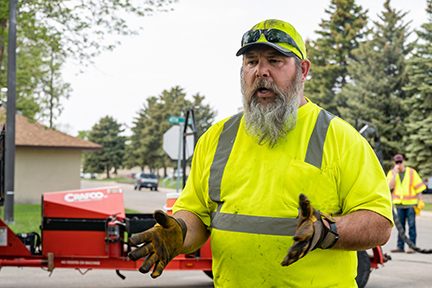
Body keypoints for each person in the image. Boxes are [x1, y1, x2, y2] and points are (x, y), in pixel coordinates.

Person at [128, 19, 394, 287]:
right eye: (251, 61)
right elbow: (196, 214)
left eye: (275, 60)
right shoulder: (217, 138)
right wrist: (179, 232)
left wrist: (327, 232)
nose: (261, 71)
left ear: (302, 70)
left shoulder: (341, 138)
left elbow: (379, 223)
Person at [387, 154, 426, 254]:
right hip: (399, 205)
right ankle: (400, 246)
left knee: (411, 226)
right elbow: (389, 187)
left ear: (403, 161)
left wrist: (420, 201)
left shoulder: (411, 172)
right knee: (401, 226)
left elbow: (419, 188)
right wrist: (395, 173)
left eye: (400, 162)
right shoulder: (392, 173)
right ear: (394, 163)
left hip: (411, 204)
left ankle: (412, 246)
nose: (399, 164)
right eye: (397, 162)